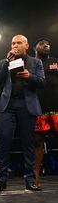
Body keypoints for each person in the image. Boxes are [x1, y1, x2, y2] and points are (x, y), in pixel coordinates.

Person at [0, 34, 44, 192]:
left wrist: (30, 76)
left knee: (28, 144)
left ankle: (30, 180)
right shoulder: (4, 61)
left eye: (19, 43)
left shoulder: (36, 62)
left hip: (26, 105)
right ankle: (1, 180)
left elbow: (42, 81)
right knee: (5, 142)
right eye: (13, 43)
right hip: (8, 106)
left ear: (26, 45)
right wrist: (6, 62)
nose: (15, 45)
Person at [33, 38, 58, 186]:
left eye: (48, 44)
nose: (46, 45)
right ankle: (35, 178)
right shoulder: (31, 63)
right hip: (38, 109)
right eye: (42, 44)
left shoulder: (56, 61)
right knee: (38, 143)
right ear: (35, 48)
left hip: (56, 109)